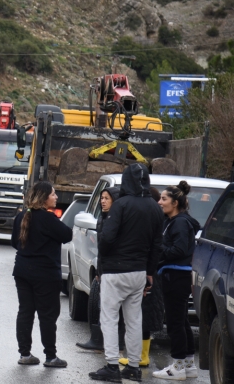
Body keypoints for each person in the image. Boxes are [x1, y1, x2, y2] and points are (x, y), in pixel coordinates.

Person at [89, 164, 164, 383]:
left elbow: (108, 237)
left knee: (110, 318)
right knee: (134, 320)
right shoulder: (154, 207)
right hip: (139, 271)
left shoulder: (120, 204)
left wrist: (105, 253)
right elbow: (156, 244)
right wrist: (150, 272)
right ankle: (133, 367)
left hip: (116, 270)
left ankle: (112, 366)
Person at [11, 181, 72, 368]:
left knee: (25, 312)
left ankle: (24, 353)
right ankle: (51, 356)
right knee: (47, 315)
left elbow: (15, 243)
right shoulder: (48, 219)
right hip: (45, 274)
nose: (56, 197)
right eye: (53, 194)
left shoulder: (22, 216)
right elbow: (67, 235)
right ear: (44, 198)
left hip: (22, 270)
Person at [152, 181, 200, 380]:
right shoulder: (173, 221)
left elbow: (179, 250)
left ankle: (177, 367)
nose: (160, 202)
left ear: (176, 202)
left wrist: (158, 252)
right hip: (175, 274)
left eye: (164, 199)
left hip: (176, 275)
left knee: (174, 323)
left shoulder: (179, 222)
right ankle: (188, 365)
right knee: (181, 321)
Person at [77, 186, 120, 351]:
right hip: (104, 268)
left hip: (114, 270)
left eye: (106, 198)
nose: (103, 201)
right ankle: (98, 339)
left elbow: (108, 247)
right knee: (103, 306)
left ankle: (106, 344)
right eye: (101, 198)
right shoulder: (103, 218)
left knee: (109, 308)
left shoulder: (114, 220)